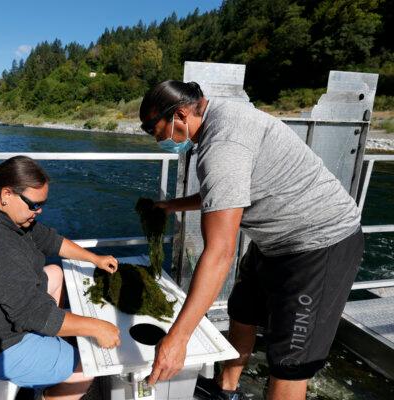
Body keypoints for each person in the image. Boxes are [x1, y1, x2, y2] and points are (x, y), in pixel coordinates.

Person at [139, 81, 364, 400]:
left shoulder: (223, 146)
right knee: (243, 310)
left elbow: (219, 253)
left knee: (290, 361)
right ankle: (227, 390)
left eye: (153, 129)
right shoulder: (219, 115)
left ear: (179, 114)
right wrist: (172, 206)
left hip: (320, 244)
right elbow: (225, 191)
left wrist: (178, 339)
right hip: (274, 241)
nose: (156, 138)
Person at [0, 155, 121, 400]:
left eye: (42, 204)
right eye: (33, 204)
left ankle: (47, 354)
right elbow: (34, 314)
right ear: (7, 194)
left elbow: (52, 241)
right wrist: (97, 327)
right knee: (88, 366)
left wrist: (94, 259)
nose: (38, 211)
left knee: (54, 273)